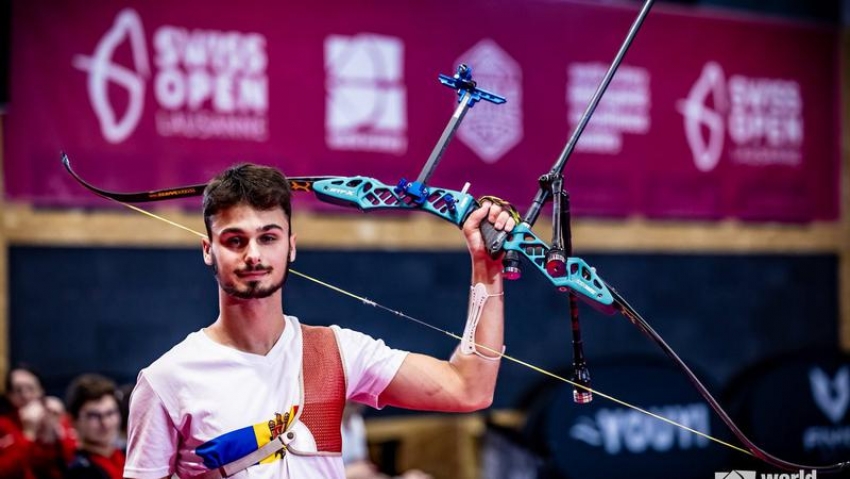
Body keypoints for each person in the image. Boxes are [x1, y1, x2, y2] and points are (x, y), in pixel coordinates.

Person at [124, 164, 515, 479]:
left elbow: (469, 389)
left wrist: (486, 268)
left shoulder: (336, 351)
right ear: (209, 250)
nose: (254, 255)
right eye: (235, 240)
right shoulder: (166, 380)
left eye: (269, 237)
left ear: (291, 245)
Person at [0, 365, 76, 479]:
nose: (25, 395)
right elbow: (5, 471)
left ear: (41, 391)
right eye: (18, 390)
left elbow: (74, 461)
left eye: (31, 388)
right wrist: (28, 434)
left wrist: (57, 431)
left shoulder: (56, 417)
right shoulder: (3, 425)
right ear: (9, 396)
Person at [65, 374, 125, 479]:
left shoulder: (128, 455)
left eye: (110, 413)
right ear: (73, 420)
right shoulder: (79, 471)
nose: (105, 423)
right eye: (94, 416)